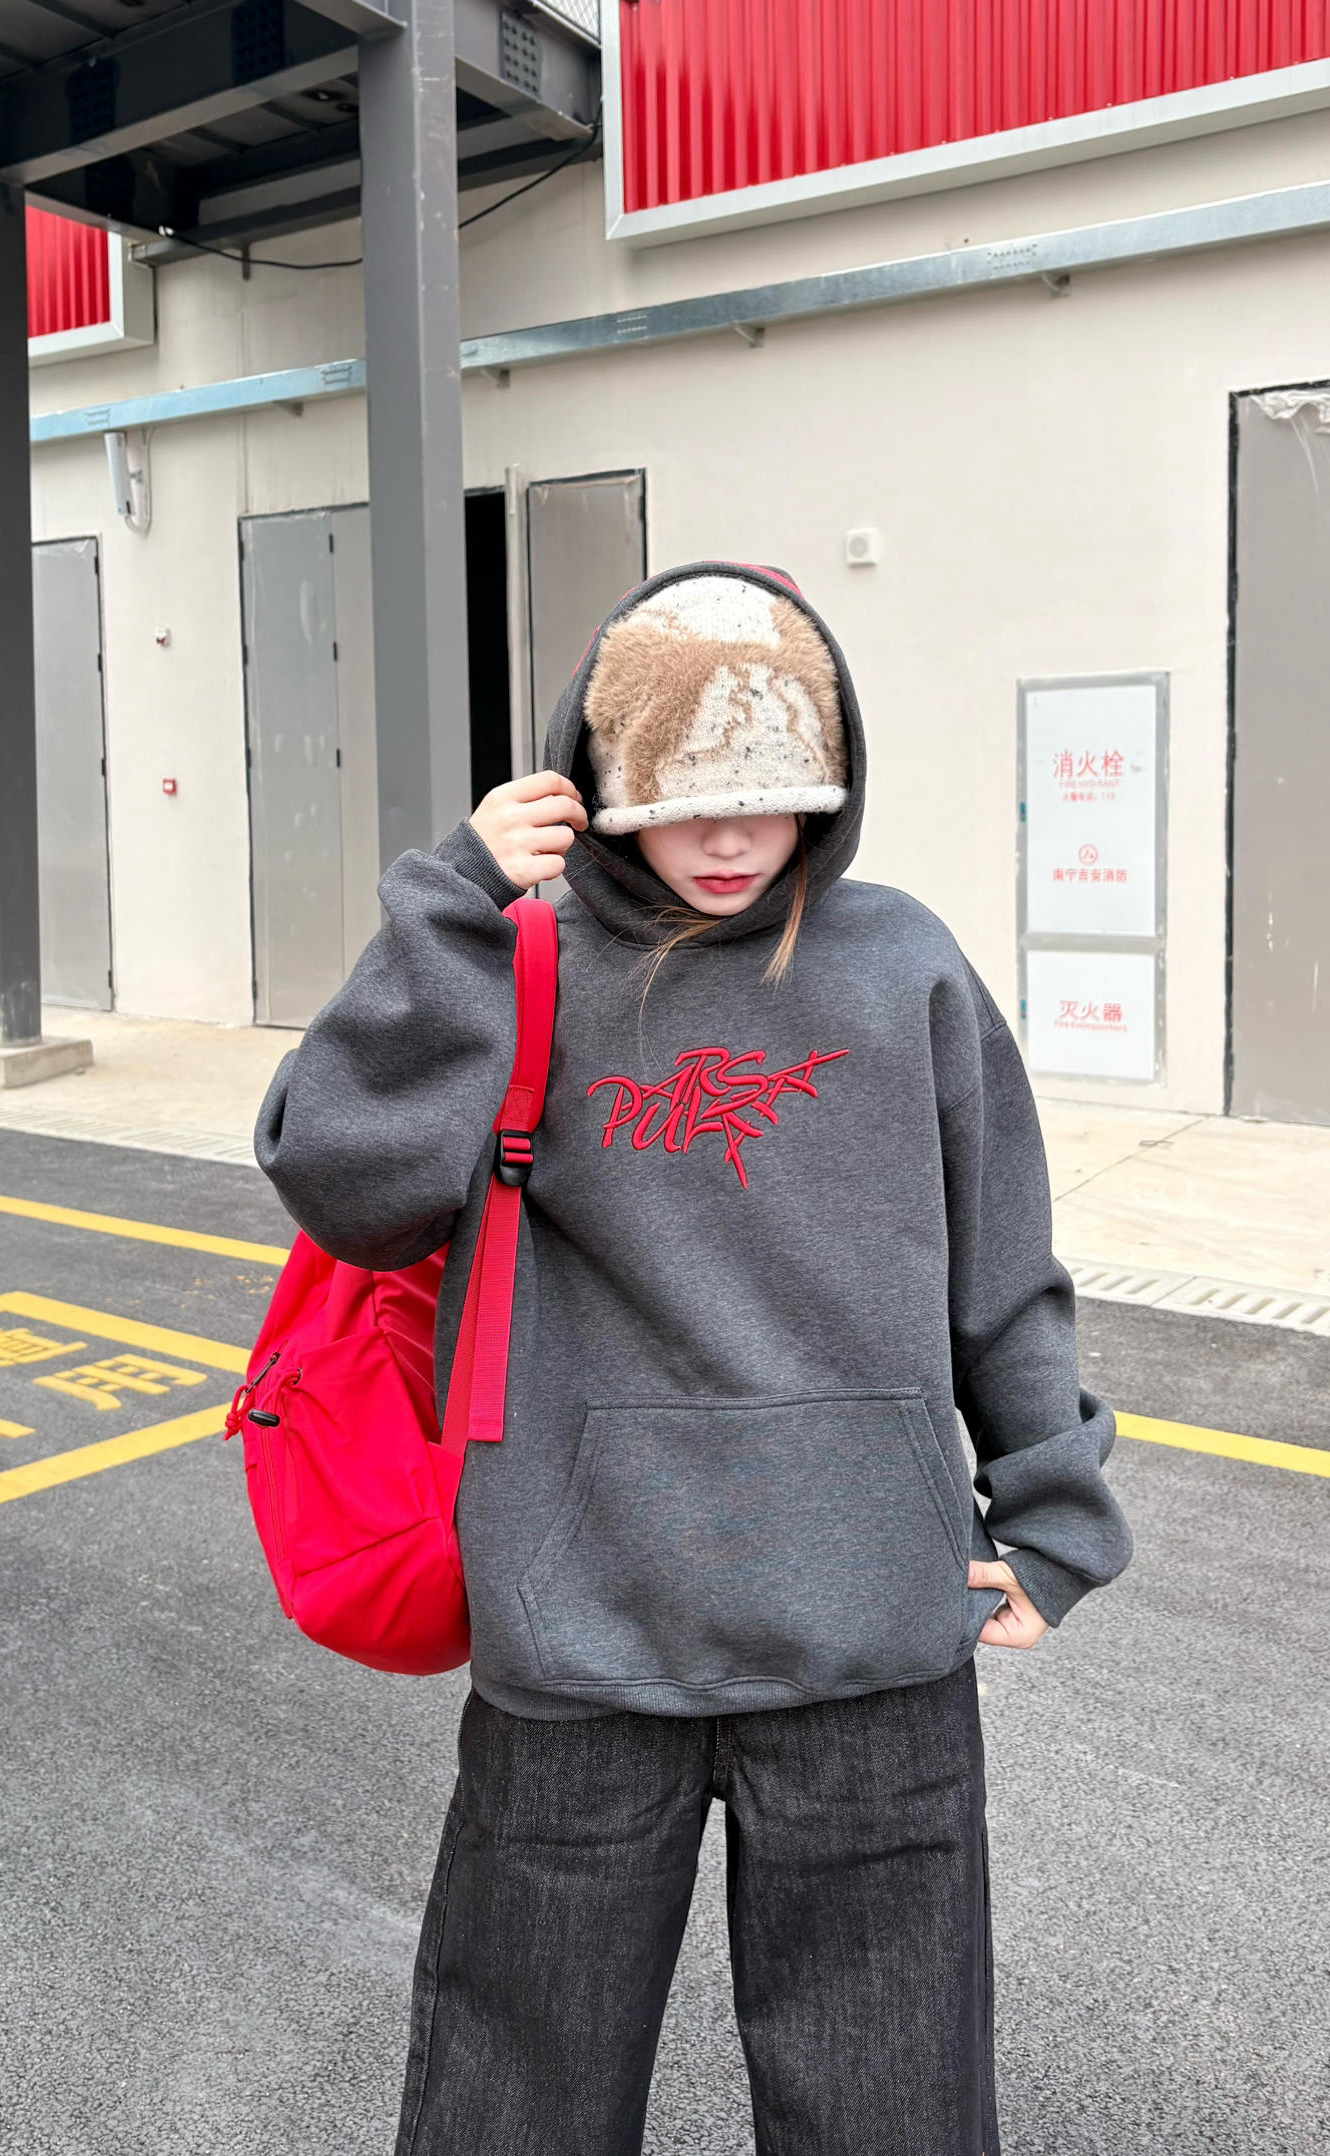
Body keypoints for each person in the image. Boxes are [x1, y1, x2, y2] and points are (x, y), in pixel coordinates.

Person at [257, 561, 1133, 2156]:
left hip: (870, 1640)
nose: (732, 840)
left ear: (831, 785)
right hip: (578, 1630)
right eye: (685, 800)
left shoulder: (905, 967)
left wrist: (1056, 1512)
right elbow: (341, 1182)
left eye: (774, 796)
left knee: (890, 2108)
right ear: (600, 781)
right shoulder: (518, 957)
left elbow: (1001, 1263)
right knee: (512, 2104)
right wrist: (450, 903)